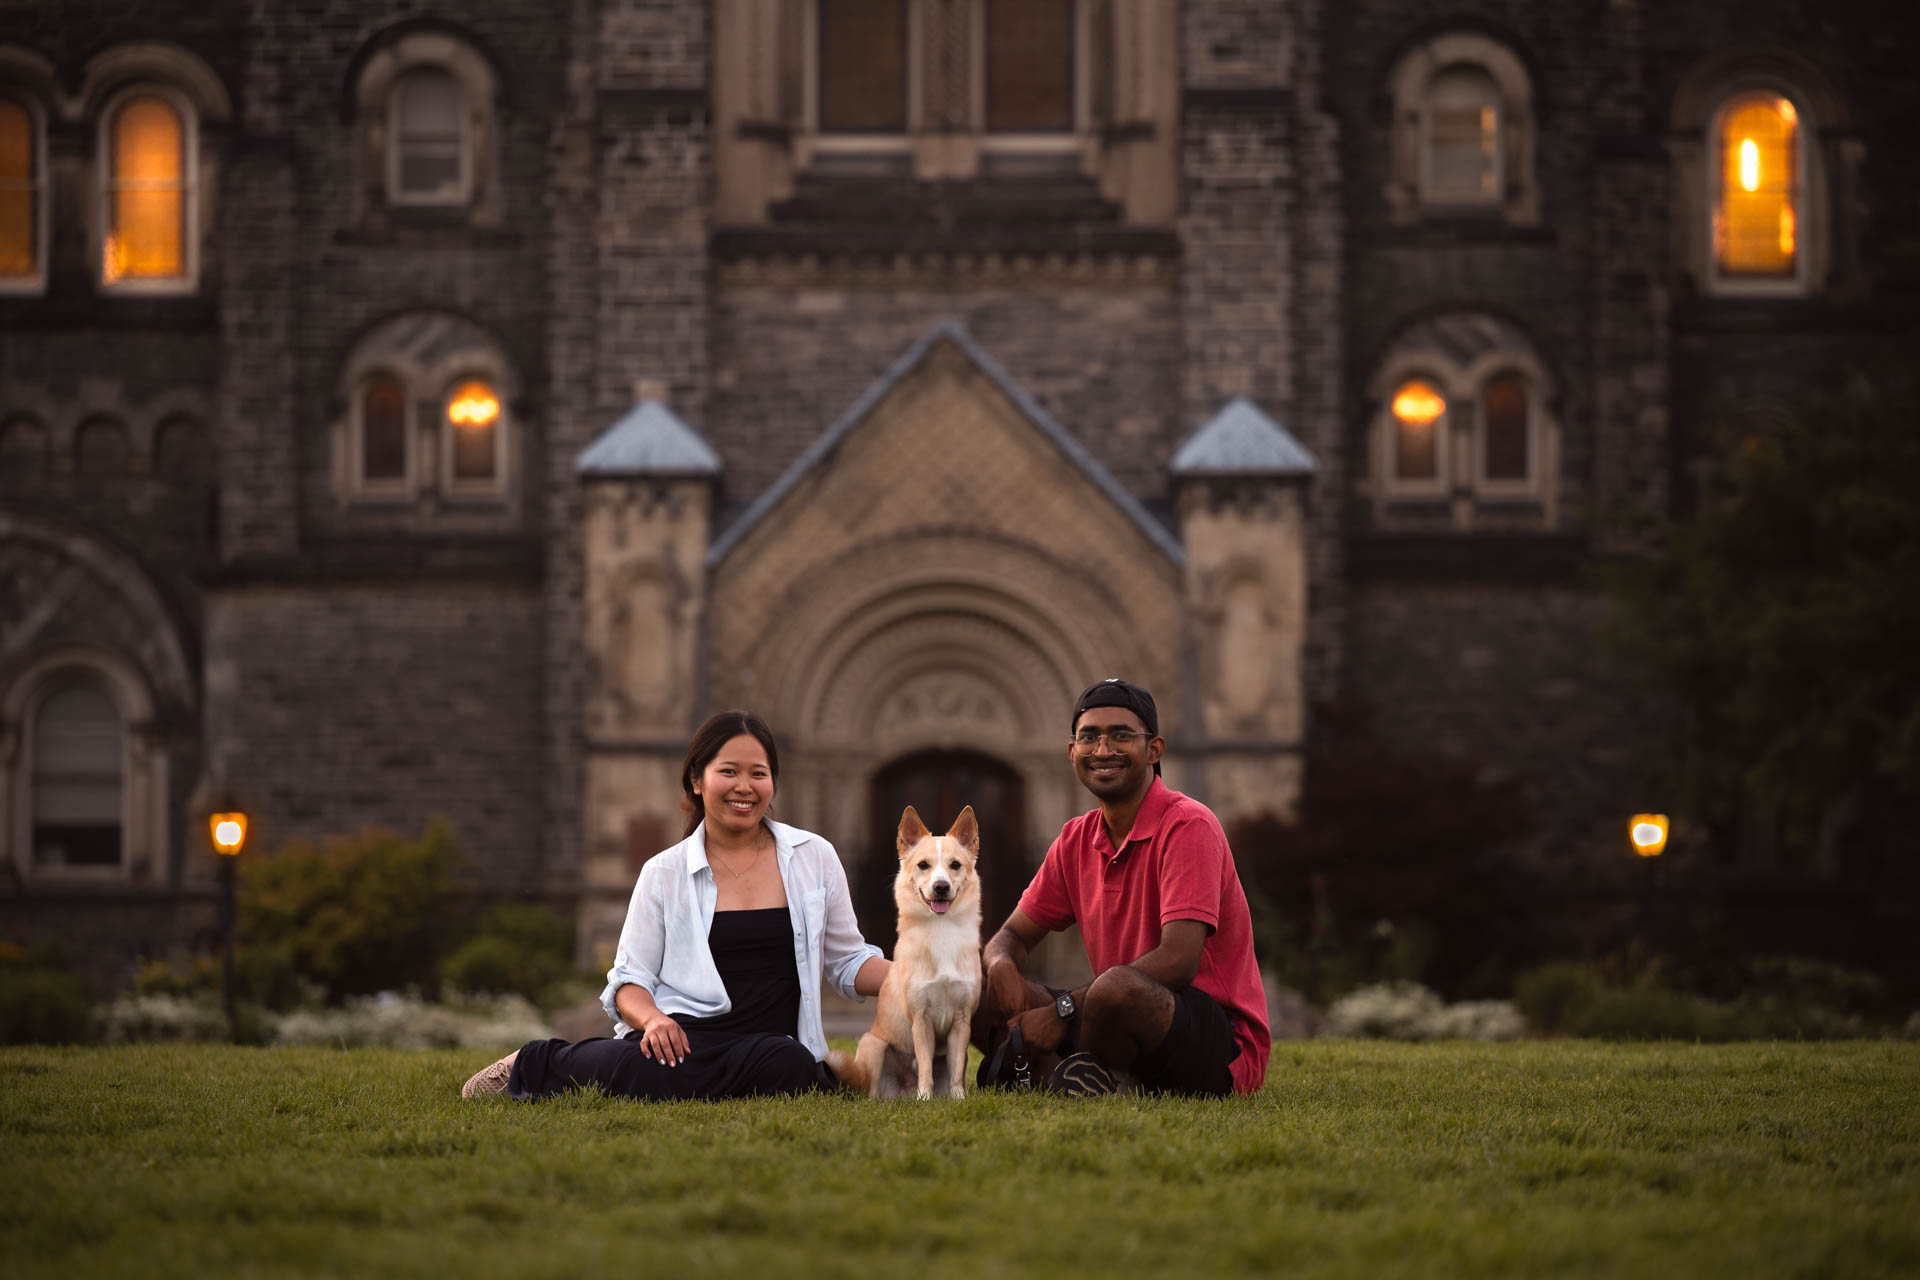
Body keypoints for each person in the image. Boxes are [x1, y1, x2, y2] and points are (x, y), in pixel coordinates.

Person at [461, 710, 887, 1100]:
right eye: (729, 771)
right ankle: (534, 1062)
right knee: (655, 1067)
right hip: (681, 1042)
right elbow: (629, 983)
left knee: (788, 1064)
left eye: (759, 773)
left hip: (770, 1048)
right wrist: (653, 1022)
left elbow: (848, 961)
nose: (744, 786)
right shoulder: (663, 872)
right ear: (697, 782)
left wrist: (921, 974)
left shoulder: (814, 857)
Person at [979, 678, 1271, 1096]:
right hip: (1111, 1019)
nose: (1102, 750)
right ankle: (1087, 1080)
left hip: (1214, 1037)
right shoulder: (1076, 838)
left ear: (1154, 750)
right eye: (1089, 737)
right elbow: (1010, 936)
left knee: (1114, 989)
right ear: (1071, 752)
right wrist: (1001, 964)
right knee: (972, 982)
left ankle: (1061, 1075)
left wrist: (1061, 1011)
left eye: (1121, 735)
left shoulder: (1189, 825)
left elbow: (1178, 961)